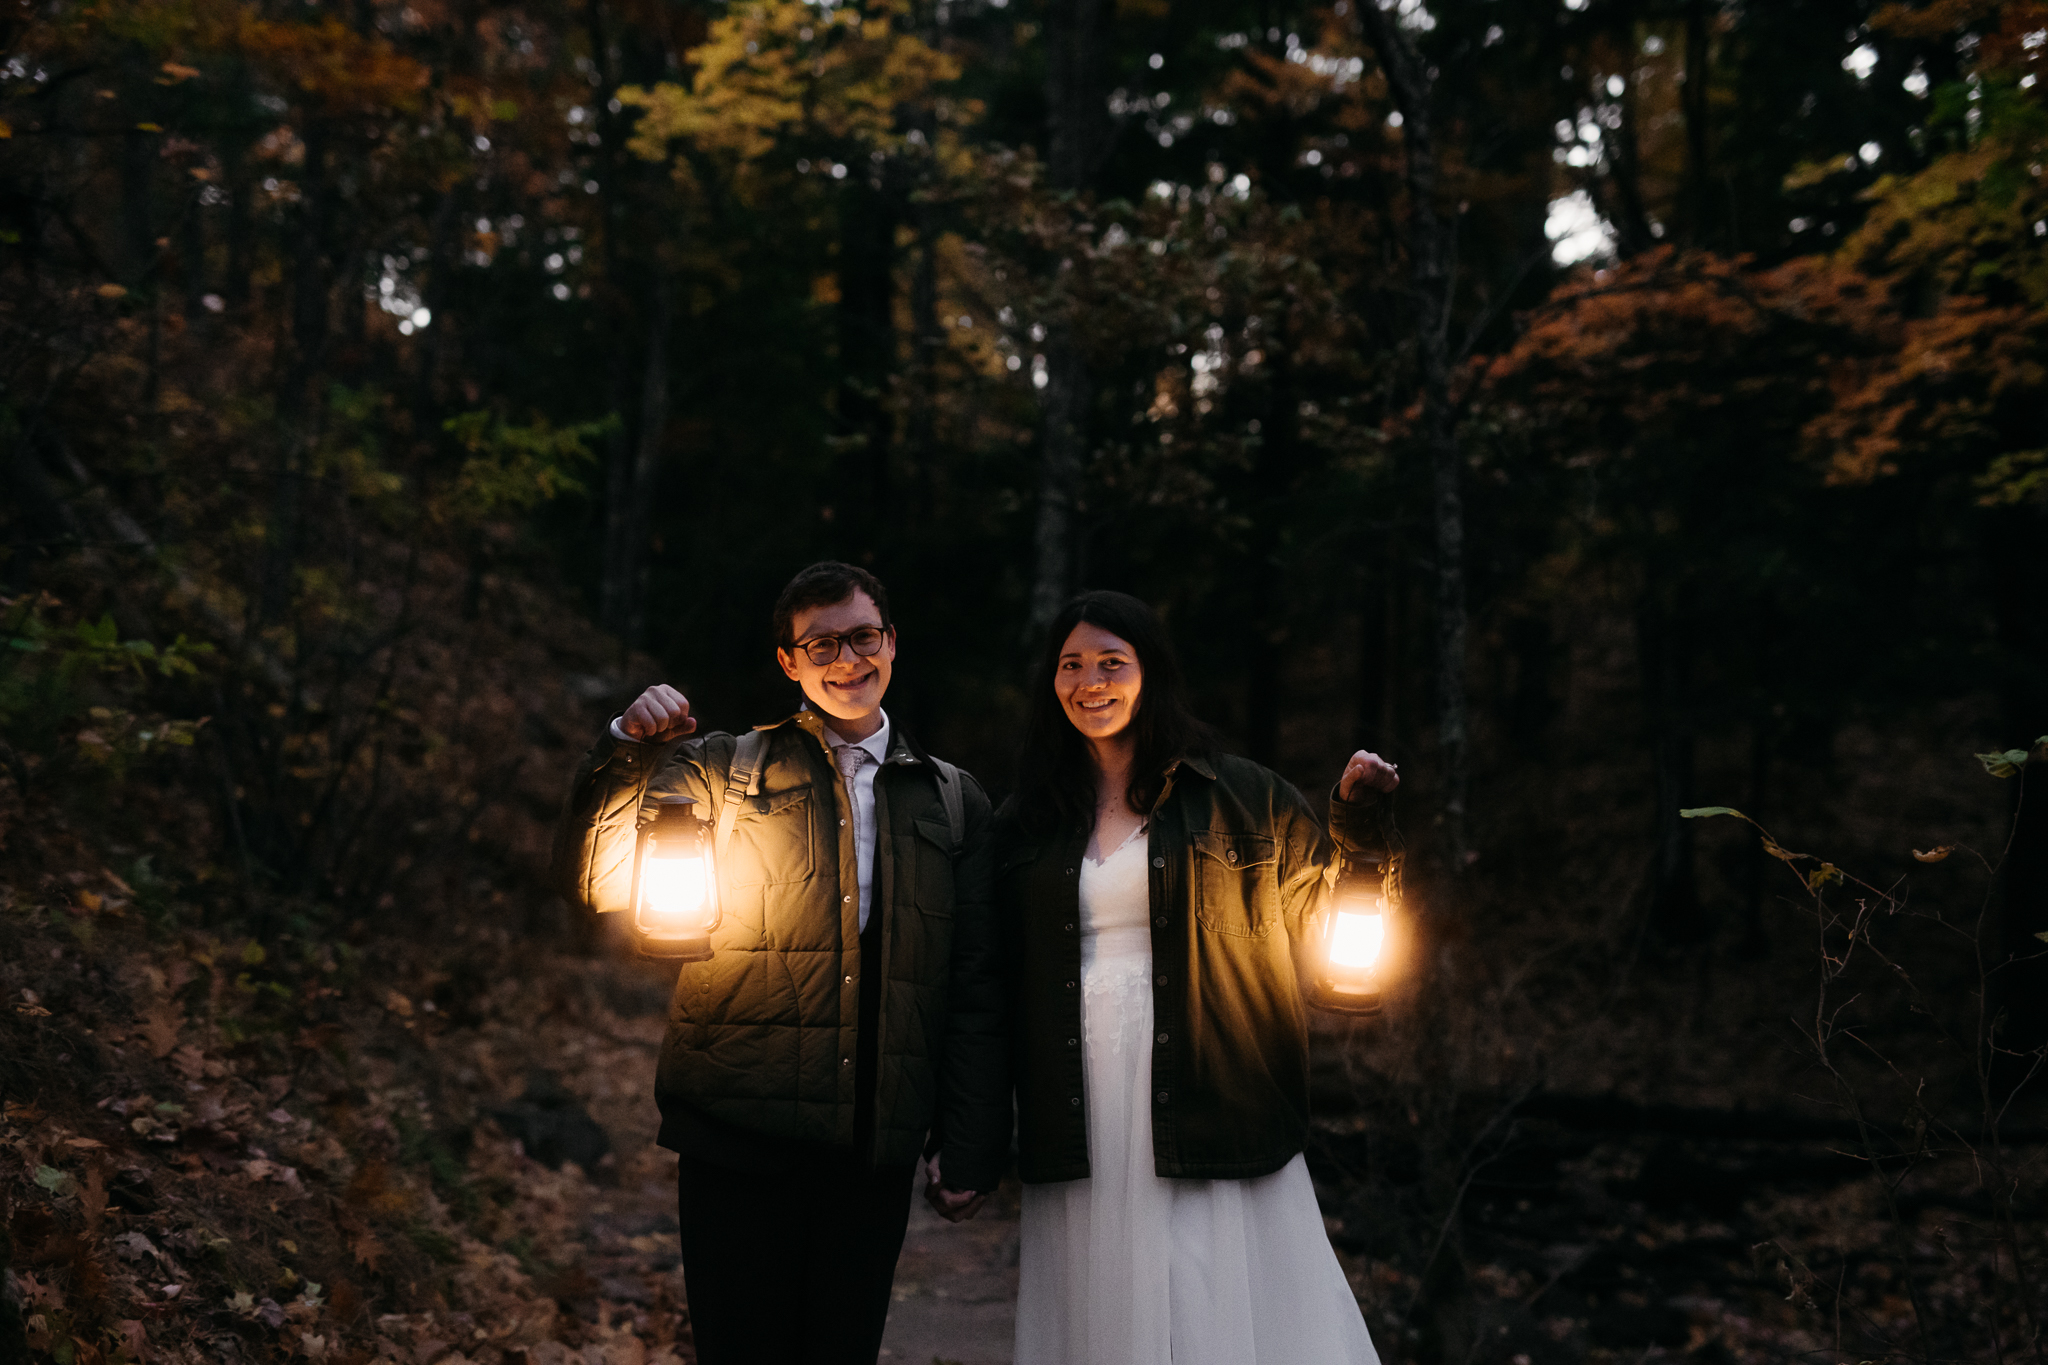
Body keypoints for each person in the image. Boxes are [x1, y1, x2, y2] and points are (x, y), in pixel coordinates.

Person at [551, 561, 1008, 1365]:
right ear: (789, 663)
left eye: (862, 636)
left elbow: (971, 981)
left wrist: (967, 1136)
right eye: (821, 644)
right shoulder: (722, 770)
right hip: (737, 1139)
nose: (847, 659)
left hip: (871, 1150)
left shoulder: (953, 799)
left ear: (892, 643)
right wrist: (623, 749)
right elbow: (595, 881)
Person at [992, 590, 1400, 1365]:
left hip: (1214, 1084)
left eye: (1113, 662)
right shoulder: (1027, 821)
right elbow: (988, 982)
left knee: (1206, 1289)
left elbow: (1326, 933)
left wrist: (1357, 824)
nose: (1091, 681)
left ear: (1151, 674)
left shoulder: (1244, 797)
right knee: (1102, 1300)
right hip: (1077, 1100)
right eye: (1071, 664)